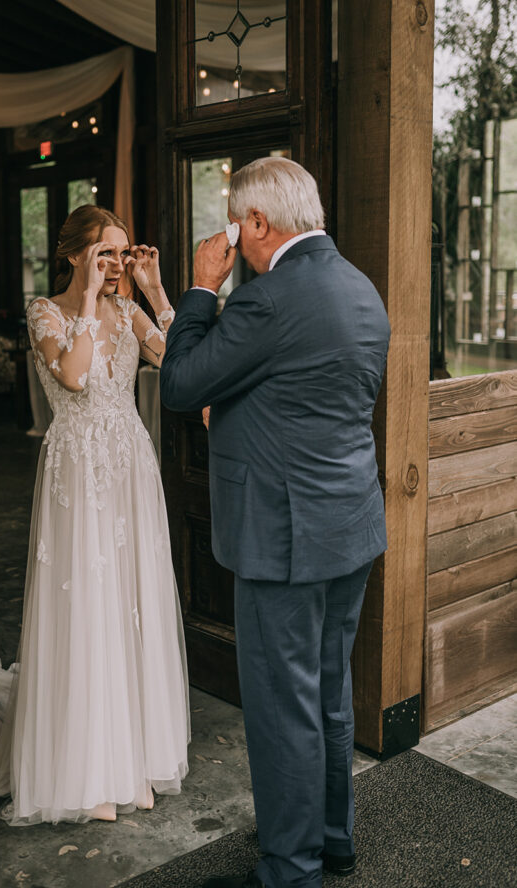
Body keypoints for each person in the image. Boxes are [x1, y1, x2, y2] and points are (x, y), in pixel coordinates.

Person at [0, 205, 190, 825]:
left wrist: (158, 292)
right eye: (104, 253)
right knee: (89, 605)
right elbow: (77, 378)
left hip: (130, 464)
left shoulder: (130, 308)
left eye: (122, 252)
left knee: (132, 602)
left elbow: (183, 362)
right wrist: (86, 301)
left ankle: (135, 758)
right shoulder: (45, 312)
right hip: (78, 471)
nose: (115, 265)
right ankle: (88, 768)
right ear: (76, 254)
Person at [160, 158, 391, 888]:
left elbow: (179, 384)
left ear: (257, 224)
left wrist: (202, 285)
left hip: (282, 537)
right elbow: (303, 397)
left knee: (280, 710)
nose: (234, 239)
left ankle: (288, 871)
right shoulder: (357, 286)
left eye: (236, 224)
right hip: (347, 525)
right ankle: (332, 840)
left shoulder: (270, 298)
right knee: (326, 693)